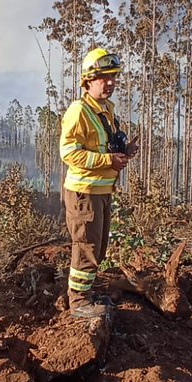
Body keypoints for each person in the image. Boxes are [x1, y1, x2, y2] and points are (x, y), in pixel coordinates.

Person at [59, 47, 137, 320]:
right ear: (88, 80)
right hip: (85, 192)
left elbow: (105, 146)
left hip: (102, 190)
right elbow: (68, 152)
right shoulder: (79, 111)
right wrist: (107, 161)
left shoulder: (106, 110)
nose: (110, 82)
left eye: (113, 76)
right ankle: (78, 301)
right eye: (104, 77)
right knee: (86, 247)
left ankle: (87, 294)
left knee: (98, 247)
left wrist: (123, 151)